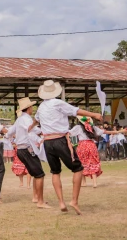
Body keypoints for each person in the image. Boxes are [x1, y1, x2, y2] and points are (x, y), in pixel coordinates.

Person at [36, 80, 102, 215]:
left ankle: (61, 202)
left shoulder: (41, 106)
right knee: (78, 169)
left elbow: (36, 119)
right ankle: (74, 201)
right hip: (60, 139)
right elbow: (75, 111)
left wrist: (31, 127)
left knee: (55, 172)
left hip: (48, 142)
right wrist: (94, 114)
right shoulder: (57, 103)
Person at [10, 98, 49, 206]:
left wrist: (10, 139)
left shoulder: (19, 120)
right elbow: (31, 131)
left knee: (36, 174)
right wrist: (42, 132)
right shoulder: (26, 119)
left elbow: (9, 132)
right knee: (39, 174)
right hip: (27, 149)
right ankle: (39, 200)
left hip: (21, 149)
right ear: (29, 108)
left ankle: (36, 197)